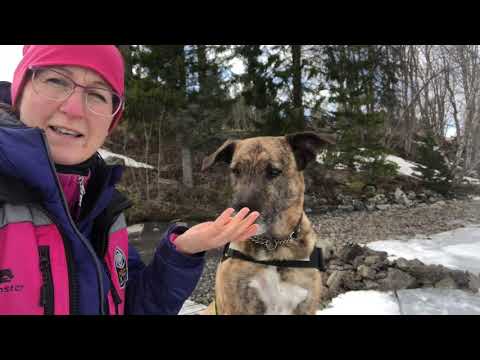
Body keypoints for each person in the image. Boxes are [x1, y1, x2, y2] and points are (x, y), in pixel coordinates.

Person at [0, 45, 259, 315]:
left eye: (97, 95)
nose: (74, 108)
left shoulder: (103, 207)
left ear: (112, 118)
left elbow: (132, 306)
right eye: (56, 80)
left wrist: (180, 253)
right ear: (20, 90)